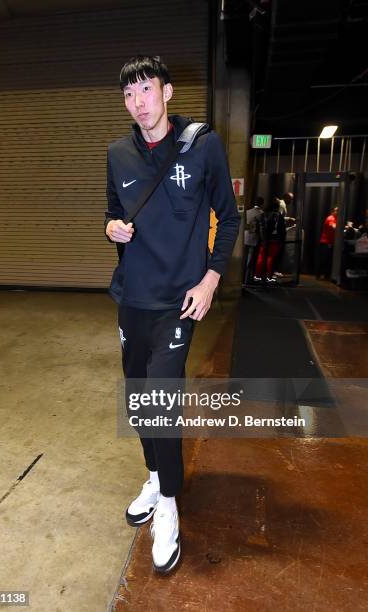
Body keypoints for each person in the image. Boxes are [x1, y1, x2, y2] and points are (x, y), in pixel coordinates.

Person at [104, 56, 240, 574]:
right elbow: (110, 214)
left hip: (178, 303)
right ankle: (157, 477)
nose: (138, 102)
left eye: (146, 90)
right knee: (140, 405)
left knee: (161, 401)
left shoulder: (201, 146)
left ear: (167, 93)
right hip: (132, 300)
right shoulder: (117, 154)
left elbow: (227, 218)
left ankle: (169, 504)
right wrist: (112, 230)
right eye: (129, 94)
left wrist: (210, 279)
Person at [254, 200, 286, 282]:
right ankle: (269, 276)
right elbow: (282, 230)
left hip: (264, 239)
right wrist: (282, 240)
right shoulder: (279, 216)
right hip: (274, 239)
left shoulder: (263, 215)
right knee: (270, 258)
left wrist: (262, 238)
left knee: (261, 257)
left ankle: (257, 276)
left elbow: (260, 228)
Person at [244, 196, 264, 283]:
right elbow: (261, 228)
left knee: (244, 259)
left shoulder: (247, 212)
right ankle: (248, 279)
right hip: (254, 238)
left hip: (245, 237)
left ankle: (242, 278)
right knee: (251, 259)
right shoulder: (261, 213)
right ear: (262, 203)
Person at [316, 206, 338, 279]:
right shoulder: (330, 218)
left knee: (328, 260)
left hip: (330, 242)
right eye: (336, 211)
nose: (337, 212)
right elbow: (333, 227)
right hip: (326, 242)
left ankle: (326, 275)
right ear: (333, 211)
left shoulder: (336, 219)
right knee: (324, 259)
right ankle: (318, 275)